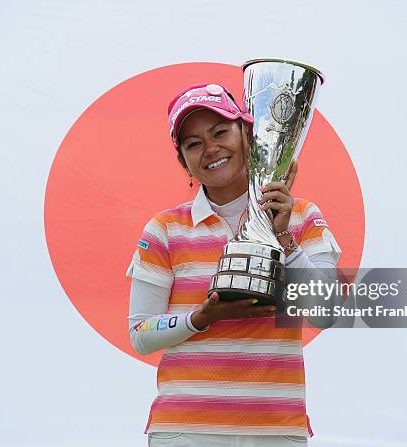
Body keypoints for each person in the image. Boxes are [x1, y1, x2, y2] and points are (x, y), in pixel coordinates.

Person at [126, 83, 341, 447]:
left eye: (220, 131)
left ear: (247, 135)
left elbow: (325, 311)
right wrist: (202, 317)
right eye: (193, 143)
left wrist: (284, 238)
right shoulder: (164, 229)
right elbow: (141, 334)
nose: (210, 149)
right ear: (184, 161)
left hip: (277, 429)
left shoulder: (299, 215)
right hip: (185, 431)